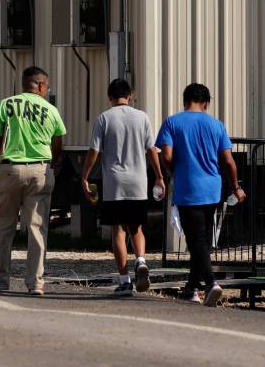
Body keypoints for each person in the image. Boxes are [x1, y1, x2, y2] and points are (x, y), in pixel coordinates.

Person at [0, 66, 66, 295]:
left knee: (2, 226)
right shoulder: (51, 110)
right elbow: (58, 144)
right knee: (37, 229)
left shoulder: (6, 105)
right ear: (42, 86)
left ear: (24, 84)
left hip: (9, 170)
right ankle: (35, 283)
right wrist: (51, 164)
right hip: (40, 171)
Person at [155, 83, 246, 307]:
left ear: (185, 100)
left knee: (197, 241)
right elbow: (228, 161)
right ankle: (191, 288)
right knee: (202, 239)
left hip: (188, 188)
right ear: (206, 103)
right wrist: (236, 187)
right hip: (212, 189)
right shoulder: (216, 125)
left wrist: (174, 169)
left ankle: (211, 283)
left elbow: (165, 155)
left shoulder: (172, 122)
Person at [81, 79, 165, 296]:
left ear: (110, 97)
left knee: (118, 230)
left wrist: (85, 175)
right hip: (138, 181)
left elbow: (94, 150)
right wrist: (158, 176)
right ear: (130, 96)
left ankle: (125, 281)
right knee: (136, 227)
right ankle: (141, 260)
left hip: (114, 182)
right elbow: (151, 150)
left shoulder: (104, 119)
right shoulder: (142, 117)